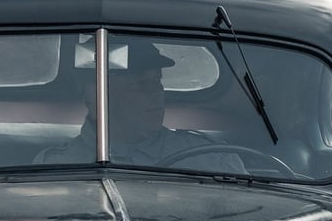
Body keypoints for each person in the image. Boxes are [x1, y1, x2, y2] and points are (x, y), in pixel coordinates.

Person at [37, 46, 246, 173]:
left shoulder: (210, 158)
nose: (156, 92)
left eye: (157, 81)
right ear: (97, 96)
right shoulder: (57, 165)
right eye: (139, 85)